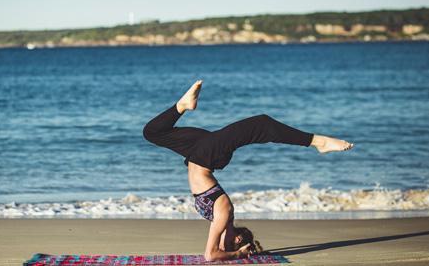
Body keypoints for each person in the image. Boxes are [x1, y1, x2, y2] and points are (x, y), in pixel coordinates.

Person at [142, 80, 354, 261]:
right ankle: (318, 142)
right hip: (207, 156)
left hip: (199, 152)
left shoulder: (219, 219)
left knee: (152, 132)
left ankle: (183, 105)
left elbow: (210, 255)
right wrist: (239, 254)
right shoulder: (224, 212)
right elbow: (213, 254)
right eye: (228, 246)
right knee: (262, 123)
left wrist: (236, 255)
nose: (221, 246)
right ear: (237, 239)